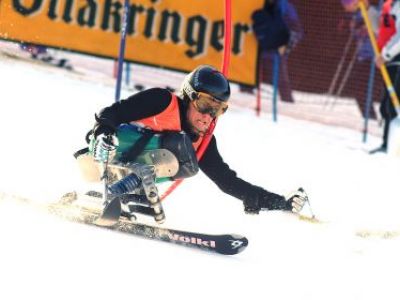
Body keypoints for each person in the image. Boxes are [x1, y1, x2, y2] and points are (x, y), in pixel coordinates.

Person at [80, 65, 307, 221]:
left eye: (218, 110)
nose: (208, 116)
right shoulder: (161, 100)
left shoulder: (204, 141)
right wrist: (104, 133)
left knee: (188, 159)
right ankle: (114, 191)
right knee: (179, 146)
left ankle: (122, 195)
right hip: (107, 154)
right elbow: (113, 112)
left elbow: (228, 182)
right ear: (189, 96)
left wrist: (282, 203)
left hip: (132, 180)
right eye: (206, 105)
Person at [371, 0, 400, 153]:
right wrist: (368, 10)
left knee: (393, 105)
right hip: (390, 60)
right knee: (388, 105)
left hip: (395, 59)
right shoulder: (389, 5)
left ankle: (390, 146)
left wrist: (386, 53)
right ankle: (387, 144)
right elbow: (382, 28)